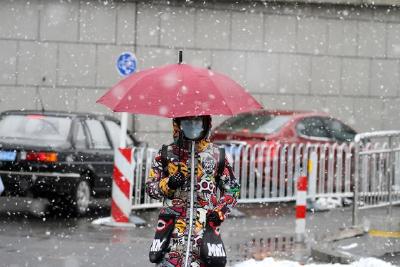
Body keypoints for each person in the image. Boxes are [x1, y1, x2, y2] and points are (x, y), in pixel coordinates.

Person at [146, 115, 240, 267]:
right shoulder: (166, 154)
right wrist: (168, 184)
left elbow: (233, 190)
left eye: (197, 121)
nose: (192, 125)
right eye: (187, 121)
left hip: (204, 233)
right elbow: (151, 189)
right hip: (172, 235)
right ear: (178, 124)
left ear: (205, 124)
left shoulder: (217, 155)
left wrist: (220, 212)